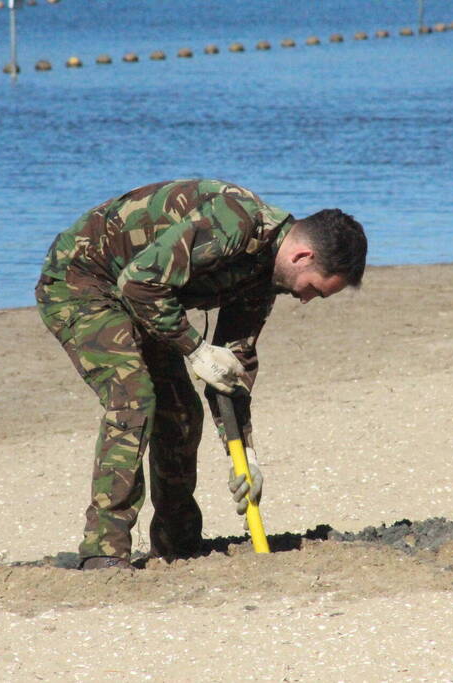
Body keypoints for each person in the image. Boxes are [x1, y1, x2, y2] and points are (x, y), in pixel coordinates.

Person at [35, 179, 367, 570]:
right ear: (303, 256)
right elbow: (138, 284)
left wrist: (244, 455)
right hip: (84, 281)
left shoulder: (263, 280)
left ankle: (176, 547)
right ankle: (103, 551)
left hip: (147, 300)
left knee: (181, 414)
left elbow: (230, 371)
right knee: (134, 398)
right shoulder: (235, 222)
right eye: (315, 289)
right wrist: (194, 348)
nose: (307, 299)